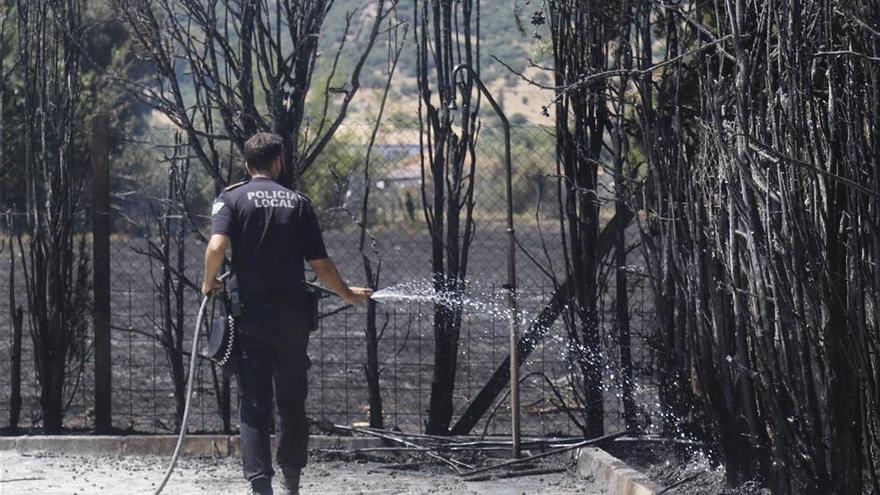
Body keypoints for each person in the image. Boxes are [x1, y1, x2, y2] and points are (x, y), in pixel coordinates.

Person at [201, 132, 372, 495]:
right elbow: (321, 264)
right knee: (292, 401)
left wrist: (209, 281)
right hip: (292, 321)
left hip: (249, 319)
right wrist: (347, 294)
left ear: (247, 165)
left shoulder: (231, 198)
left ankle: (260, 486)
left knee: (254, 402)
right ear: (278, 161)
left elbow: (216, 246)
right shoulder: (297, 203)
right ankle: (291, 480)